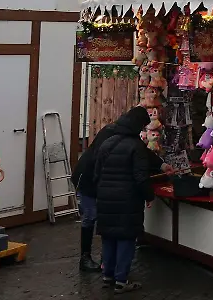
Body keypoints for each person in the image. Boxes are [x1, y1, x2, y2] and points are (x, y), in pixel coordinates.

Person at [93, 107, 155, 293]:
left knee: (109, 237)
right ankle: (121, 280)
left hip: (105, 198)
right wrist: (148, 196)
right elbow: (140, 177)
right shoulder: (136, 147)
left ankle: (108, 275)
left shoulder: (107, 142)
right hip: (127, 199)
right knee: (126, 239)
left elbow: (97, 173)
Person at [71, 122, 116, 272]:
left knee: (96, 216)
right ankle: (85, 258)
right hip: (87, 181)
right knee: (90, 216)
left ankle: (103, 257)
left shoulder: (110, 134)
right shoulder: (108, 140)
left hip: (91, 180)